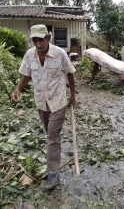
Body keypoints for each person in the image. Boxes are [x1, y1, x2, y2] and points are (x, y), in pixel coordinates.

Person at [11, 24, 76, 190]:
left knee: (53, 136)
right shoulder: (29, 55)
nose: (38, 43)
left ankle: (53, 173)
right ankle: (54, 155)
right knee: (50, 134)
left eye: (41, 39)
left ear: (48, 38)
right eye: (35, 40)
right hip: (41, 102)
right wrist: (18, 89)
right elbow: (26, 75)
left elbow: (70, 73)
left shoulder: (59, 54)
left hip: (58, 102)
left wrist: (73, 96)